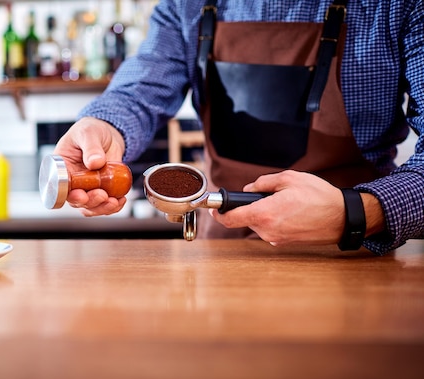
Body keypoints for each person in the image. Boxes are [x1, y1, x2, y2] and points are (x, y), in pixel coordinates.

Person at [52, 0, 424, 256]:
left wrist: (355, 212)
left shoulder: (397, 6)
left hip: (351, 260)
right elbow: (138, 92)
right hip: (222, 252)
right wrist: (102, 125)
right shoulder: (187, 5)